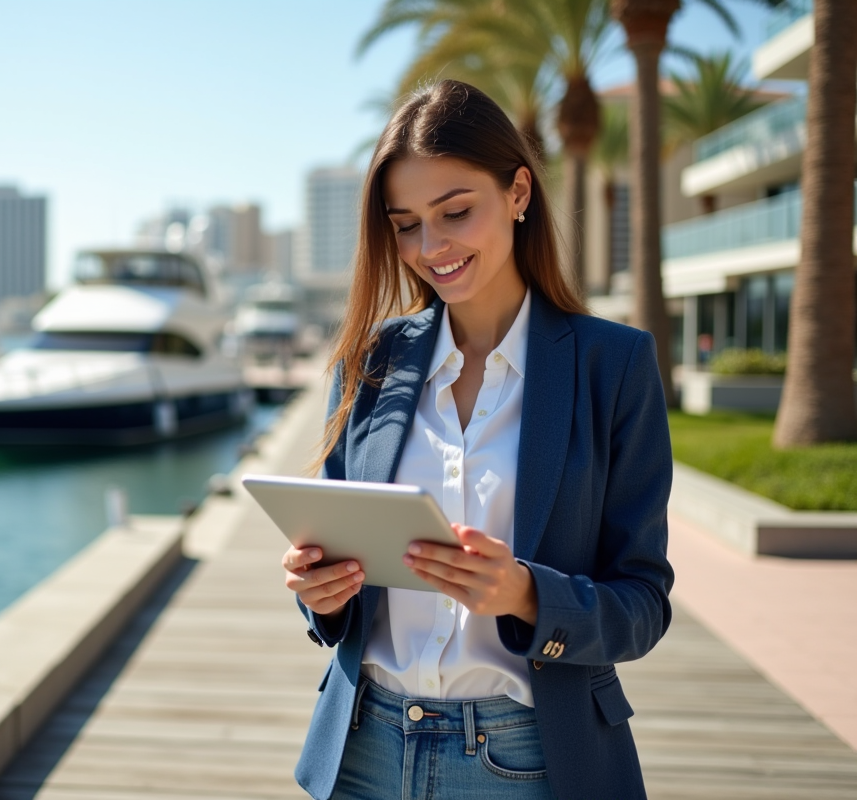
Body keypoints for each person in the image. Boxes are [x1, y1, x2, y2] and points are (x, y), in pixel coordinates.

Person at [281, 80, 674, 800]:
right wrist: (321, 593)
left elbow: (643, 605)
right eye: (405, 225)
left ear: (519, 192)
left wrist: (529, 595)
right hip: (362, 749)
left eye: (456, 211)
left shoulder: (612, 367)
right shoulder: (368, 365)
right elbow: (331, 590)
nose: (432, 248)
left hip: (527, 759)